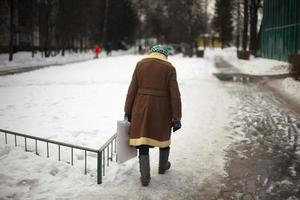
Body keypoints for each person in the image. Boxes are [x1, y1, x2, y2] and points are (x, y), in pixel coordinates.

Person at [124, 44, 182, 186]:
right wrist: (177, 116)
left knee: (143, 139)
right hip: (162, 109)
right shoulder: (169, 68)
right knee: (163, 137)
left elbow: (132, 89)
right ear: (164, 55)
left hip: (141, 107)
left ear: (151, 52)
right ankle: (162, 167)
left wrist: (127, 111)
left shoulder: (140, 64)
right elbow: (175, 94)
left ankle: (145, 177)